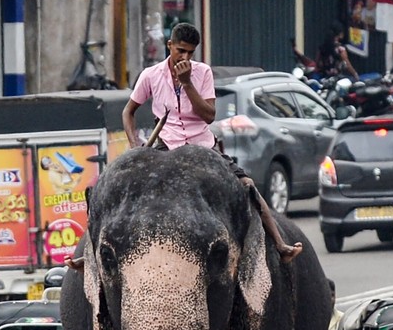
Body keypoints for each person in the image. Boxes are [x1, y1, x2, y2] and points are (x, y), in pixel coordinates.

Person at [121, 22, 301, 262]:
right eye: (180, 51)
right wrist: (135, 146)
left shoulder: (202, 72)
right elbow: (128, 112)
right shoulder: (150, 76)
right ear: (169, 46)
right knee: (126, 189)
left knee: (246, 185)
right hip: (166, 145)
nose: (185, 57)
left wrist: (187, 83)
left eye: (190, 52)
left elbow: (208, 115)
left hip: (202, 145)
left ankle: (280, 245)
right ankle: (103, 253)